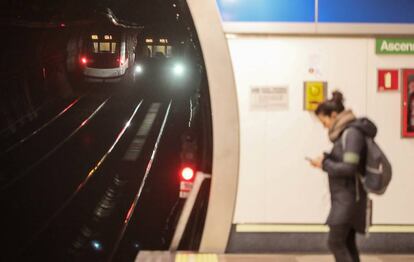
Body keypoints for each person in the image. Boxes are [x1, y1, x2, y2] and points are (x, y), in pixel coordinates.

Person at [309, 91, 376, 262]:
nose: (324, 126)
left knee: (335, 242)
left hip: (349, 199)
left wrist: (324, 164)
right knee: (347, 243)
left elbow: (349, 167)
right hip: (346, 197)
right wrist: (328, 158)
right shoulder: (346, 134)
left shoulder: (352, 133)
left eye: (324, 121)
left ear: (333, 115)